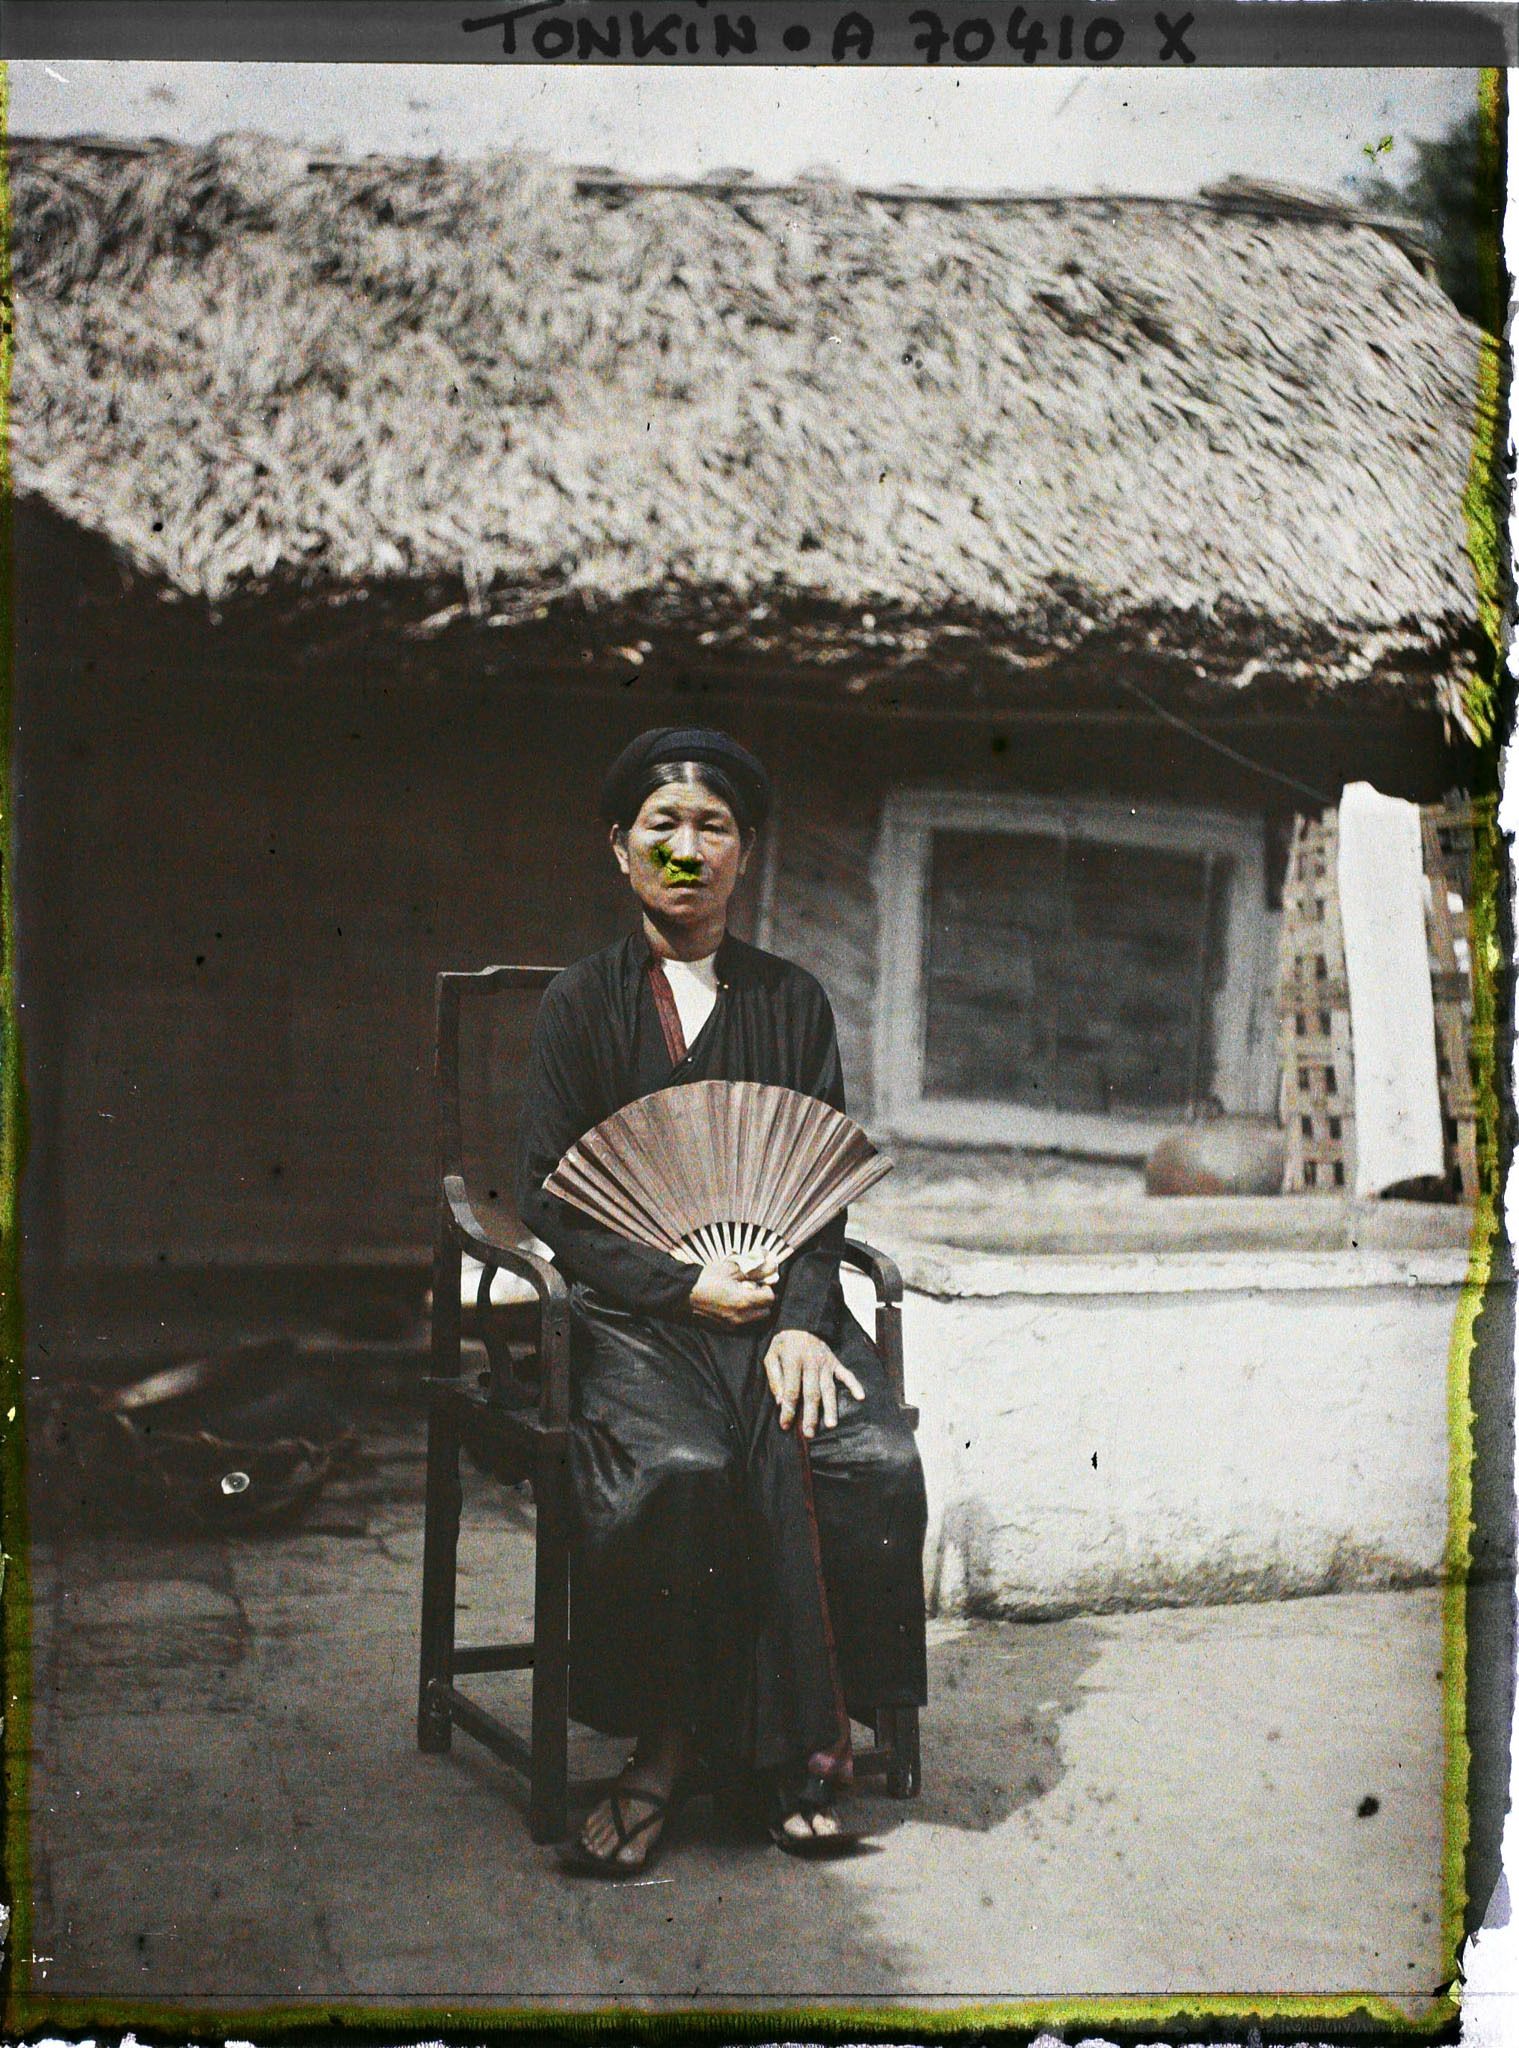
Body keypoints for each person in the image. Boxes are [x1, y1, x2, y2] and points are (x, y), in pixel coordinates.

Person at [516, 726, 928, 1876]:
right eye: (663, 826)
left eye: (713, 828)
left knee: (866, 1454)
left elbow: (818, 1191)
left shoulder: (792, 1001)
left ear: (744, 854)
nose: (686, 849)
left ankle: (798, 1750)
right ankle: (665, 1750)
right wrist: (678, 1283)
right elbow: (549, 1195)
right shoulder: (581, 1002)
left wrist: (798, 1319)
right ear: (620, 847)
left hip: (772, 1296)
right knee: (681, 1470)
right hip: (637, 1316)